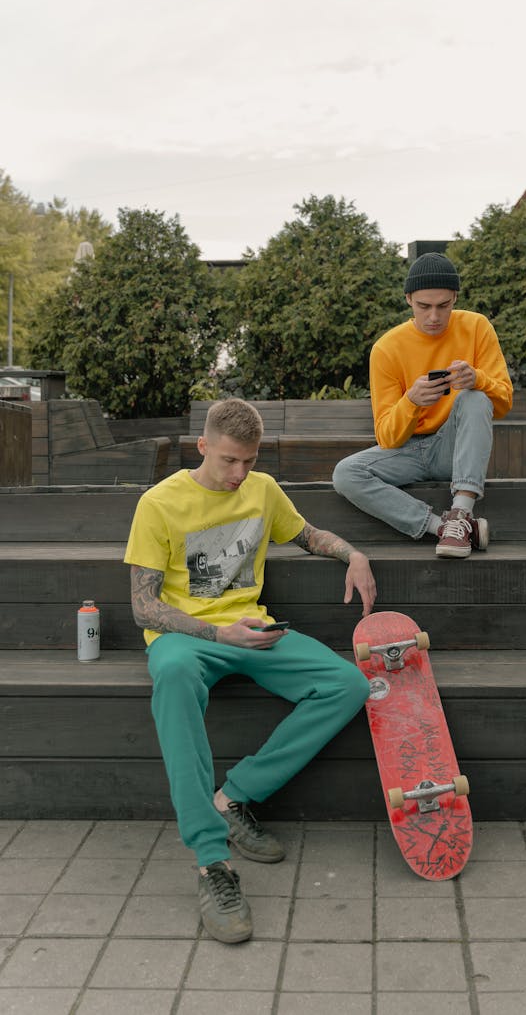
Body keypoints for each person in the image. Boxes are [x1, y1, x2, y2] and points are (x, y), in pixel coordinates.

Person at [124, 398, 376, 944]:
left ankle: (233, 796)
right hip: (186, 639)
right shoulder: (159, 503)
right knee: (171, 679)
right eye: (229, 461)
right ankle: (212, 860)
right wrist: (216, 633)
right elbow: (143, 608)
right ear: (203, 447)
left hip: (254, 633)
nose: (239, 474)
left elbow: (307, 535)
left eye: (249, 461)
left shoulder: (261, 489)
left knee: (347, 684)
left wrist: (352, 554)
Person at [333, 251, 513, 558]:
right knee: (345, 474)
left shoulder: (477, 327)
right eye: (424, 306)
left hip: (453, 448)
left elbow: (504, 402)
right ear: (408, 300)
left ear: (455, 297)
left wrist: (478, 379)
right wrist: (411, 402)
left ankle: (461, 510)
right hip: (407, 452)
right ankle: (443, 527)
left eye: (443, 306)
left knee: (475, 397)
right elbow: (387, 438)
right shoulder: (387, 348)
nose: (433, 316)